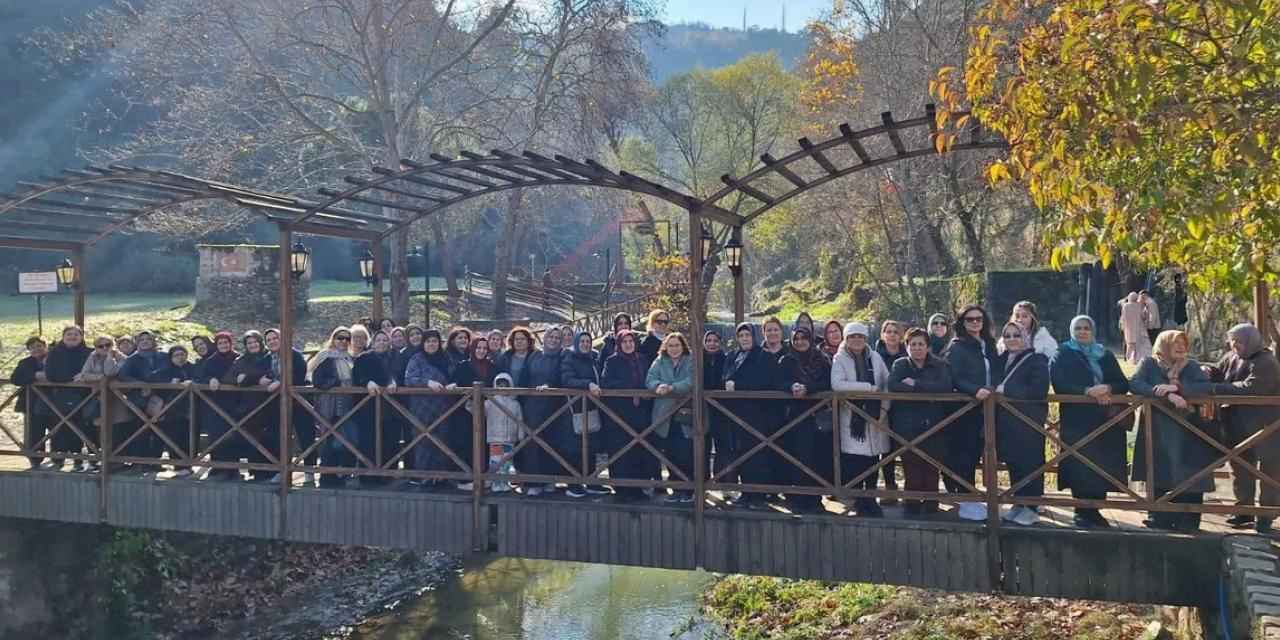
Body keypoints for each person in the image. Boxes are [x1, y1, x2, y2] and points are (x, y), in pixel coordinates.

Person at [1050, 315, 1131, 528]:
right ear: (1071, 330)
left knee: (1101, 464)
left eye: (1087, 328)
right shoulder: (1063, 353)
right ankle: (1082, 510)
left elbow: (1123, 382)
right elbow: (1060, 383)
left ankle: (1095, 510)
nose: (1083, 332)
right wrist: (1087, 391)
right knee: (1080, 463)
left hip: (1104, 419)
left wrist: (1108, 388)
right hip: (1078, 419)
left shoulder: (1104, 354)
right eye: (1078, 328)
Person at [1130, 330, 1215, 531]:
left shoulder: (1192, 366)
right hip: (1158, 428)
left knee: (1190, 473)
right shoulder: (1149, 364)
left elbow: (1204, 387)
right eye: (1175, 343)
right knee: (1159, 469)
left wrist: (1177, 389)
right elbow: (1135, 383)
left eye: (1183, 343)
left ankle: (1188, 520)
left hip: (1190, 429)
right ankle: (1159, 516)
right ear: (1163, 344)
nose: (1180, 347)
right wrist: (1161, 393)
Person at [1204, 323, 1280, 533]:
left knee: (1269, 473)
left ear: (1250, 340)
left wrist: (1217, 388)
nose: (1235, 344)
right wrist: (1207, 371)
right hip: (1236, 423)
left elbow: (1252, 387)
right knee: (1240, 468)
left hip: (1265, 424)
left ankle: (1266, 515)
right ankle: (1243, 509)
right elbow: (1219, 372)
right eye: (1233, 340)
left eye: (1239, 341)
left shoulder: (1266, 361)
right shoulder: (1232, 357)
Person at [944, 305, 1003, 521]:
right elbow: (954, 376)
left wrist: (993, 387)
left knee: (983, 451)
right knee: (965, 454)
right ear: (962, 322)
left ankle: (982, 496)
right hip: (966, 408)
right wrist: (973, 390)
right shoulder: (957, 347)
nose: (975, 323)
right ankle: (966, 498)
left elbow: (996, 369)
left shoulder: (988, 344)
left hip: (988, 406)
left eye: (979, 319)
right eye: (970, 320)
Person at [887, 328, 953, 516]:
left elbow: (945, 387)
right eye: (913, 344)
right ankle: (912, 502)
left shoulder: (939, 365)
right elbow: (893, 385)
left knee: (931, 464)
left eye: (921, 344)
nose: (917, 348)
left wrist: (915, 384)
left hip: (934, 422)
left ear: (928, 347)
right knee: (911, 464)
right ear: (906, 346)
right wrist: (927, 390)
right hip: (906, 422)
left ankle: (931, 503)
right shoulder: (900, 364)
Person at [831, 322, 891, 517]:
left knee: (873, 460)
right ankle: (858, 500)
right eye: (852, 336)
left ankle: (870, 498)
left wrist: (883, 408)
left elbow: (886, 382)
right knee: (855, 461)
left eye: (860, 336)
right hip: (852, 417)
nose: (857, 340)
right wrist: (868, 388)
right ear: (846, 339)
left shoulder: (875, 357)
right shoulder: (839, 358)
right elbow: (837, 384)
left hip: (875, 416)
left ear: (865, 339)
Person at [993, 321, 1050, 526]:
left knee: (1030, 462)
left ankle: (1032, 506)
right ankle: (1018, 502)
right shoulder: (1001, 360)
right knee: (1014, 462)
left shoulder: (1037, 360)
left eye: (1016, 335)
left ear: (1025, 336)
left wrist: (1006, 391)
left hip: (1028, 420)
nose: (1011, 340)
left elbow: (1038, 390)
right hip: (1006, 421)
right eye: (1007, 336)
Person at [721, 322, 781, 509]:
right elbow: (724, 376)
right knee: (741, 453)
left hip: (757, 413)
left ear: (754, 337)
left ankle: (758, 494)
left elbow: (764, 380)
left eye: (748, 335)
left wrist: (737, 386)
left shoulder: (763, 356)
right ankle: (746, 492)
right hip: (735, 413)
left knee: (757, 453)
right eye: (741, 336)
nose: (745, 339)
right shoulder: (733, 355)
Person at [777, 326, 832, 513]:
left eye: (803, 338)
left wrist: (808, 388)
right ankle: (798, 497)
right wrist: (792, 386)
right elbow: (779, 381)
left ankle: (815, 498)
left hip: (818, 416)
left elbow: (827, 383)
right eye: (796, 338)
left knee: (818, 457)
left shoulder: (821, 360)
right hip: (794, 417)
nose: (800, 342)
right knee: (798, 456)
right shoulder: (786, 359)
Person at [600, 330, 656, 502]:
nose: (628, 344)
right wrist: (631, 389)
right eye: (624, 341)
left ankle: (638, 487)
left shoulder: (642, 359)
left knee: (639, 450)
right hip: (620, 413)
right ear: (619, 344)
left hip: (640, 412)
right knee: (620, 450)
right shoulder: (612, 361)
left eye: (631, 341)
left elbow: (649, 379)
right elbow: (607, 383)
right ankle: (621, 488)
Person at [520, 325, 572, 495]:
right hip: (533, 404)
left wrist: (550, 386)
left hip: (554, 404)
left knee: (552, 442)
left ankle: (550, 480)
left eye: (557, 338)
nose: (554, 340)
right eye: (551, 337)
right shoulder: (534, 355)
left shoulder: (563, 356)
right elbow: (524, 376)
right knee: (532, 442)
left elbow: (563, 377)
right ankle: (534, 482)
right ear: (545, 338)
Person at [647, 332, 695, 503]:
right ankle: (675, 488)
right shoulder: (660, 361)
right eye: (671, 345)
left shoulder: (690, 361)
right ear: (666, 347)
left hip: (684, 413)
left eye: (677, 345)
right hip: (664, 414)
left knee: (685, 452)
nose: (674, 349)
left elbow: (692, 381)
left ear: (683, 346)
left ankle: (688, 489)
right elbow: (650, 379)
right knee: (669, 452)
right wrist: (658, 386)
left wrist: (672, 388)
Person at [406, 329, 456, 486]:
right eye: (428, 341)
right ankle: (425, 477)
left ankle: (441, 477)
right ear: (423, 343)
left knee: (443, 440)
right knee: (424, 442)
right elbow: (409, 379)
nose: (431, 344)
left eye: (434, 341)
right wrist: (427, 382)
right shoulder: (417, 358)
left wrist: (453, 385)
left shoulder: (446, 357)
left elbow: (454, 375)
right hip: (422, 408)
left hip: (443, 407)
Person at [262, 328, 313, 484]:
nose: (272, 341)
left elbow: (298, 374)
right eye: (269, 340)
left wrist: (280, 382)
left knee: (305, 435)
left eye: (275, 338)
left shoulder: (295, 355)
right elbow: (261, 373)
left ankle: (310, 470)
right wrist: (261, 379)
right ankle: (282, 470)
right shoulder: (267, 358)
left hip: (298, 402)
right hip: (276, 404)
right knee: (278, 436)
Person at [560, 330, 606, 497]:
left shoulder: (593, 358)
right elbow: (567, 380)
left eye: (588, 341)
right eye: (583, 341)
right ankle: (574, 484)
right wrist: (587, 384)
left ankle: (592, 481)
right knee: (575, 448)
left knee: (591, 446)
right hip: (575, 408)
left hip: (592, 407)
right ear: (577, 343)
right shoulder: (570, 357)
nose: (586, 344)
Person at [307, 328, 354, 487]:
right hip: (329, 405)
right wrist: (337, 384)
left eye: (347, 339)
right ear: (333, 339)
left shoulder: (349, 358)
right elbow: (318, 381)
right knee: (329, 440)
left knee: (344, 439)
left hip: (347, 405)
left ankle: (342, 474)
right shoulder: (325, 357)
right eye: (340, 338)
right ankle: (327, 476)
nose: (343, 342)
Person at [224, 331, 273, 481]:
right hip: (246, 406)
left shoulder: (269, 357)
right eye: (249, 343)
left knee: (266, 439)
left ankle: (266, 471)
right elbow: (229, 377)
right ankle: (250, 470)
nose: (252, 345)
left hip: (267, 405)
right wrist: (246, 380)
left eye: (255, 342)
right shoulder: (241, 360)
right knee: (246, 438)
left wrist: (247, 379)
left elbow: (269, 374)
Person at [42, 326, 92, 470]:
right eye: (69, 334)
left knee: (80, 427)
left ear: (81, 337)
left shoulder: (88, 352)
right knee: (59, 428)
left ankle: (78, 459)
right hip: (60, 396)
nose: (72, 337)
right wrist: (71, 378)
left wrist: (84, 377)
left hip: (84, 396)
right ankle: (58, 459)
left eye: (76, 334)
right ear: (63, 337)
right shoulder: (54, 353)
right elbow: (51, 374)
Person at [351, 330, 395, 486]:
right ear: (373, 342)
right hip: (367, 407)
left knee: (388, 439)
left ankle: (386, 474)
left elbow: (395, 375)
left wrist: (393, 381)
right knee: (368, 440)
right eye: (379, 340)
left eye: (385, 340)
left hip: (389, 406)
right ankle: (367, 475)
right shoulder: (364, 358)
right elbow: (357, 376)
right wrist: (367, 382)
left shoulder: (393, 357)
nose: (382, 343)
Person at [117, 330, 168, 467]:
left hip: (161, 397)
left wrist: (154, 381)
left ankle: (156, 461)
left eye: (148, 339)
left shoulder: (163, 356)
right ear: (137, 343)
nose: (145, 342)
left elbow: (168, 370)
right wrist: (139, 384)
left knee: (159, 430)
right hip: (140, 399)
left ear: (153, 341)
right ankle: (140, 461)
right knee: (140, 430)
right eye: (141, 340)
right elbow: (123, 376)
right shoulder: (132, 359)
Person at [76, 335, 127, 471]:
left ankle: (117, 460)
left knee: (117, 429)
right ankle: (103, 459)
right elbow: (85, 374)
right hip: (99, 397)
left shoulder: (121, 357)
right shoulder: (92, 357)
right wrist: (101, 378)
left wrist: (110, 357)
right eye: (100, 346)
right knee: (101, 429)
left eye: (108, 344)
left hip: (117, 399)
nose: (104, 348)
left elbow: (111, 371)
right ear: (96, 348)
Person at [197, 331, 241, 481]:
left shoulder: (238, 358)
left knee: (234, 435)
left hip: (235, 403)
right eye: (220, 343)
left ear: (231, 343)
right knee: (216, 435)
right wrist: (211, 379)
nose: (223, 345)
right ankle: (217, 467)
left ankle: (233, 468)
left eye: (226, 342)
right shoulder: (210, 361)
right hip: (215, 404)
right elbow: (202, 377)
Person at [149, 345, 198, 477]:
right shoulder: (165, 370)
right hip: (171, 409)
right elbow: (154, 380)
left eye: (182, 354)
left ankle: (188, 465)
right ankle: (178, 464)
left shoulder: (192, 368)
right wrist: (170, 383)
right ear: (171, 358)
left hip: (190, 408)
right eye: (176, 355)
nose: (180, 357)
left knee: (189, 436)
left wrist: (192, 382)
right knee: (174, 436)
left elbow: (199, 379)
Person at [874, 320, 907, 502]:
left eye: (895, 331)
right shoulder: (875, 356)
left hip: (905, 407)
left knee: (906, 446)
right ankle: (890, 487)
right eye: (888, 331)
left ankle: (911, 490)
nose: (892, 335)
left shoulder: (907, 354)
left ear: (901, 335)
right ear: (882, 334)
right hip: (882, 407)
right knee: (885, 449)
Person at [11, 336, 49, 469]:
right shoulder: (25, 362)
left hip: (54, 401)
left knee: (56, 429)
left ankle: (57, 458)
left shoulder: (54, 359)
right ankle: (35, 459)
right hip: (32, 402)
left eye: (39, 346)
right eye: (32, 347)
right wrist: (34, 376)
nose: (36, 349)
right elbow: (15, 378)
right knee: (34, 431)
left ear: (45, 346)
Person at [484, 373, 522, 492]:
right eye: (499, 386)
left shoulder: (515, 404)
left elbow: (519, 420)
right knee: (495, 461)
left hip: (510, 438)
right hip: (495, 438)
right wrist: (470, 403)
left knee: (507, 462)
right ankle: (496, 483)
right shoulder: (490, 402)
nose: (502, 388)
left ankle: (504, 483)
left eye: (505, 386)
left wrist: (521, 434)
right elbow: (478, 410)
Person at [702, 331, 729, 480]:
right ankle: (703, 480)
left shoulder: (726, 359)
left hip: (722, 409)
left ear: (720, 343)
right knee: (702, 445)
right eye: (709, 340)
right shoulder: (697, 360)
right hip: (702, 408)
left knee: (722, 446)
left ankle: (722, 480)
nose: (712, 344)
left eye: (715, 341)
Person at [1119, 292, 1152, 364]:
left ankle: (1128, 359)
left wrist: (1122, 326)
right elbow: (1143, 316)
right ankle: (1136, 359)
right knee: (1137, 346)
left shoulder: (1125, 306)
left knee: (1129, 345)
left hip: (1128, 328)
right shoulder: (1138, 306)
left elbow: (1123, 318)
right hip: (1137, 328)